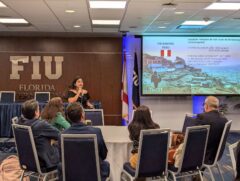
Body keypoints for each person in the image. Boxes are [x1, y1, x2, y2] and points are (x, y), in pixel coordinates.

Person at [61, 102, 109, 180]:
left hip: (71, 175)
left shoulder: (62, 135)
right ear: (82, 115)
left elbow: (62, 158)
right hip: (94, 175)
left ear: (68, 117)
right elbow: (103, 155)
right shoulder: (96, 131)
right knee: (105, 165)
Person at [17, 99, 60, 170]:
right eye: (38, 109)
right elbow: (59, 135)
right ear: (36, 112)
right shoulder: (41, 125)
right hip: (45, 162)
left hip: (27, 161)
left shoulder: (19, 123)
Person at [195, 96, 228, 164]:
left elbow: (193, 138)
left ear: (206, 106)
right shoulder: (224, 120)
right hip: (216, 155)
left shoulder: (202, 117)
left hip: (202, 155)